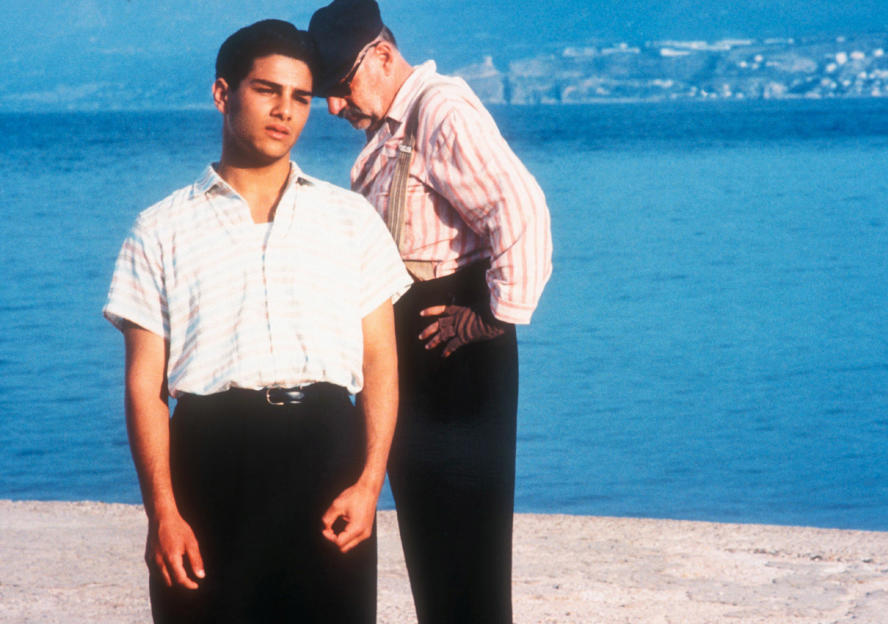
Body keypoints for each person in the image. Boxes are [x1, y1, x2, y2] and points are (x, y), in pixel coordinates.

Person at [102, 19, 411, 623]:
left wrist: (371, 482)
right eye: (267, 90)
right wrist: (162, 511)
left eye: (300, 97)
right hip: (209, 461)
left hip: (327, 457)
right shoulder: (159, 229)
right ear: (223, 94)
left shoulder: (349, 220)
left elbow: (380, 362)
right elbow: (145, 387)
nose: (286, 112)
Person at [307, 2, 553, 622]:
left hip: (458, 359)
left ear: (383, 56)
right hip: (422, 354)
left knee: (467, 549)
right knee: (433, 547)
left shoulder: (440, 110)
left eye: (341, 86)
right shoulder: (393, 124)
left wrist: (489, 319)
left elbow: (521, 212)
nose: (333, 107)